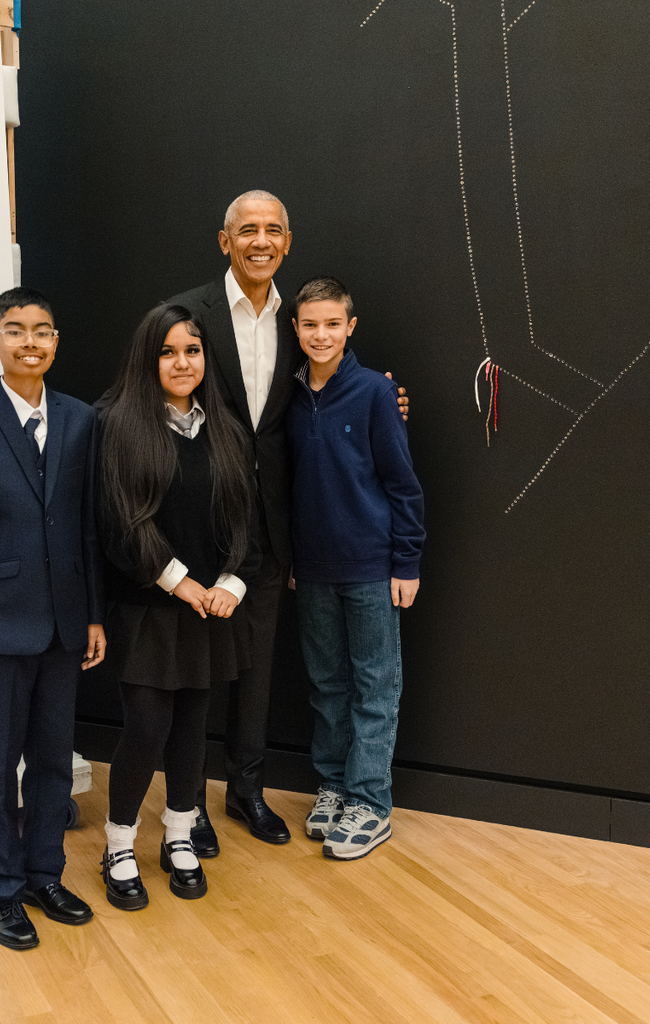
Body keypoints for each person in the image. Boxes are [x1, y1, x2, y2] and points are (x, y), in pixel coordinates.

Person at [168, 190, 409, 854]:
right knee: (199, 671)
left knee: (258, 670)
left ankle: (246, 790)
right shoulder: (188, 314)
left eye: (273, 229)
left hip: (276, 529)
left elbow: (331, 390)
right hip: (203, 521)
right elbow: (148, 388)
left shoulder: (296, 322)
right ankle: (188, 803)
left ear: (287, 241)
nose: (261, 240)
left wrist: (387, 401)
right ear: (226, 241)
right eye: (247, 229)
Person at [0, 287, 106, 950]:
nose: (29, 342)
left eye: (41, 331)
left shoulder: (80, 420)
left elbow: (87, 529)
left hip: (64, 624)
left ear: (55, 342)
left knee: (53, 763)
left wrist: (93, 615)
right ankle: (0, 891)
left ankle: (43, 875)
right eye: (15, 330)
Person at [96, 304, 258, 909]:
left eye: (192, 350)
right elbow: (119, 524)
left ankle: (180, 834)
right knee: (147, 726)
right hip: (148, 605)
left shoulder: (226, 430)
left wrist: (230, 584)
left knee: (192, 727)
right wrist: (179, 581)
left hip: (209, 607)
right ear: (149, 358)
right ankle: (119, 843)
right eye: (167, 352)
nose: (181, 362)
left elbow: (246, 521)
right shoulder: (118, 425)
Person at [287, 276, 424, 860]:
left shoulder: (374, 392)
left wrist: (406, 561)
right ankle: (335, 785)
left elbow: (402, 484)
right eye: (310, 324)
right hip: (312, 571)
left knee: (374, 687)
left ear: (350, 327)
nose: (321, 335)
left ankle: (370, 801)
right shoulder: (289, 397)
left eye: (332, 324)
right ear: (296, 328)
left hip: (371, 567)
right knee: (326, 685)